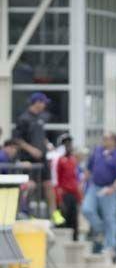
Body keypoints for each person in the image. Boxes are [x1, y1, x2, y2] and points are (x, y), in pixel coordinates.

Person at [12, 92, 62, 224]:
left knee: (48, 184)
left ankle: (54, 213)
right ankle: (26, 212)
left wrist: (47, 144)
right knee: (29, 186)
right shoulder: (23, 118)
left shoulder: (40, 118)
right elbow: (17, 139)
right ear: (37, 102)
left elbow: (40, 136)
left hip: (42, 159)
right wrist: (31, 150)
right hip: (29, 160)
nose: (45, 105)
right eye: (43, 102)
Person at [82, 132, 116, 258]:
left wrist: (113, 188)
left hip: (109, 188)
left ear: (114, 141)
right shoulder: (97, 151)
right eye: (104, 138)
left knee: (109, 217)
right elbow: (88, 168)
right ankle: (100, 230)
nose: (105, 140)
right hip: (94, 186)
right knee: (87, 209)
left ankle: (110, 245)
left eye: (108, 138)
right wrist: (83, 182)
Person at [55, 134, 82, 241]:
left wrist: (79, 197)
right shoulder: (58, 160)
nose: (69, 146)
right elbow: (56, 180)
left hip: (72, 194)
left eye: (70, 144)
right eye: (66, 144)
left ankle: (74, 241)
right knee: (62, 219)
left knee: (73, 221)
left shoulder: (73, 160)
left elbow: (76, 179)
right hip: (63, 194)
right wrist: (58, 197)